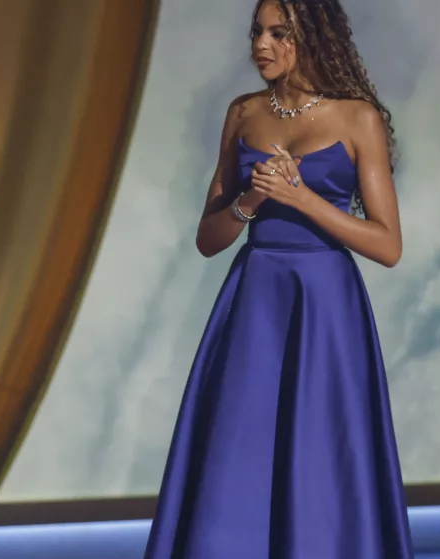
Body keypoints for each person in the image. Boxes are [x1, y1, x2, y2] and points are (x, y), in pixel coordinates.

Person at [144, 0, 411, 557]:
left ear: (312, 35)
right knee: (238, 453)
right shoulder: (243, 113)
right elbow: (209, 239)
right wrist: (252, 199)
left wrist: (302, 198)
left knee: (318, 456)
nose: (260, 45)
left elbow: (387, 244)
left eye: (278, 33)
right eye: (256, 32)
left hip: (326, 307)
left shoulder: (356, 117)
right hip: (255, 302)